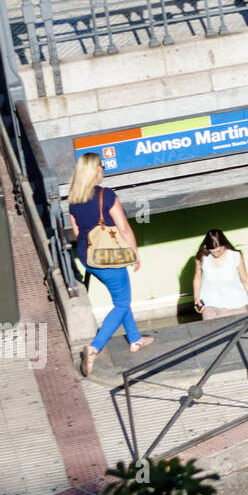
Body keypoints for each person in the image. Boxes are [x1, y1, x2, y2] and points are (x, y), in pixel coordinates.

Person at [66, 152, 149, 376]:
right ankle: (94, 348)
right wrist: (135, 253)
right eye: (101, 167)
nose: (104, 170)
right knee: (122, 303)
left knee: (121, 298)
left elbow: (76, 231)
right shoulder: (106, 195)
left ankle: (135, 340)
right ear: (94, 171)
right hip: (110, 258)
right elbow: (123, 228)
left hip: (88, 258)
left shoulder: (73, 198)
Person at [192, 229, 248, 320]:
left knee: (240, 332)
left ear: (224, 244)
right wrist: (197, 299)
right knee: (213, 333)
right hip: (210, 305)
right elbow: (198, 278)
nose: (215, 254)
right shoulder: (202, 257)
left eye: (218, 251)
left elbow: (245, 281)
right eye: (212, 252)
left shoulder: (235, 256)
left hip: (236, 304)